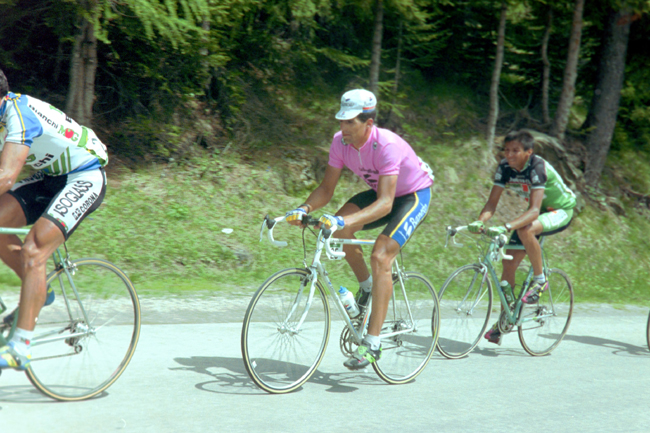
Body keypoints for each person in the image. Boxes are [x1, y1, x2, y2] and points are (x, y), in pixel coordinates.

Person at [286, 89, 434, 369]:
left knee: (380, 255)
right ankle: (368, 288)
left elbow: (387, 204)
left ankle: (373, 343)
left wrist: (343, 220)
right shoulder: (339, 142)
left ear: (368, 122)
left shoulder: (387, 145)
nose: (343, 128)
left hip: (412, 196)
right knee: (335, 230)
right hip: (381, 194)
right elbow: (326, 189)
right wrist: (303, 209)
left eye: (350, 122)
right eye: (341, 121)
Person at [0, 68, 108, 369]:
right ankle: (39, 290)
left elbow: (7, 176)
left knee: (35, 249)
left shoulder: (18, 114)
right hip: (50, 178)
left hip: (84, 176)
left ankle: (20, 347)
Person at [468, 130, 576, 344]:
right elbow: (492, 203)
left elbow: (535, 211)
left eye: (515, 151)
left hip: (560, 209)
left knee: (524, 230)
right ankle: (505, 319)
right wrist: (481, 221)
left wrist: (506, 226)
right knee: (508, 264)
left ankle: (540, 279)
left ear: (529, 152)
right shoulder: (504, 168)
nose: (509, 154)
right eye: (506, 150)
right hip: (537, 211)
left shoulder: (537, 166)